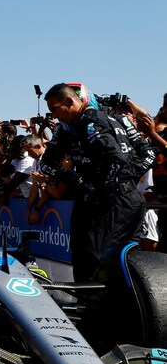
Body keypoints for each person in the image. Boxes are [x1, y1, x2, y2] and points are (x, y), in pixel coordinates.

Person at [41, 83, 154, 282]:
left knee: (99, 264)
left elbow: (121, 160)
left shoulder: (92, 122)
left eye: (55, 110)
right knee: (101, 262)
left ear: (70, 101)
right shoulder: (73, 127)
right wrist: (83, 182)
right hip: (118, 200)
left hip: (110, 204)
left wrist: (101, 186)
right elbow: (47, 163)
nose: (54, 116)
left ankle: (103, 309)